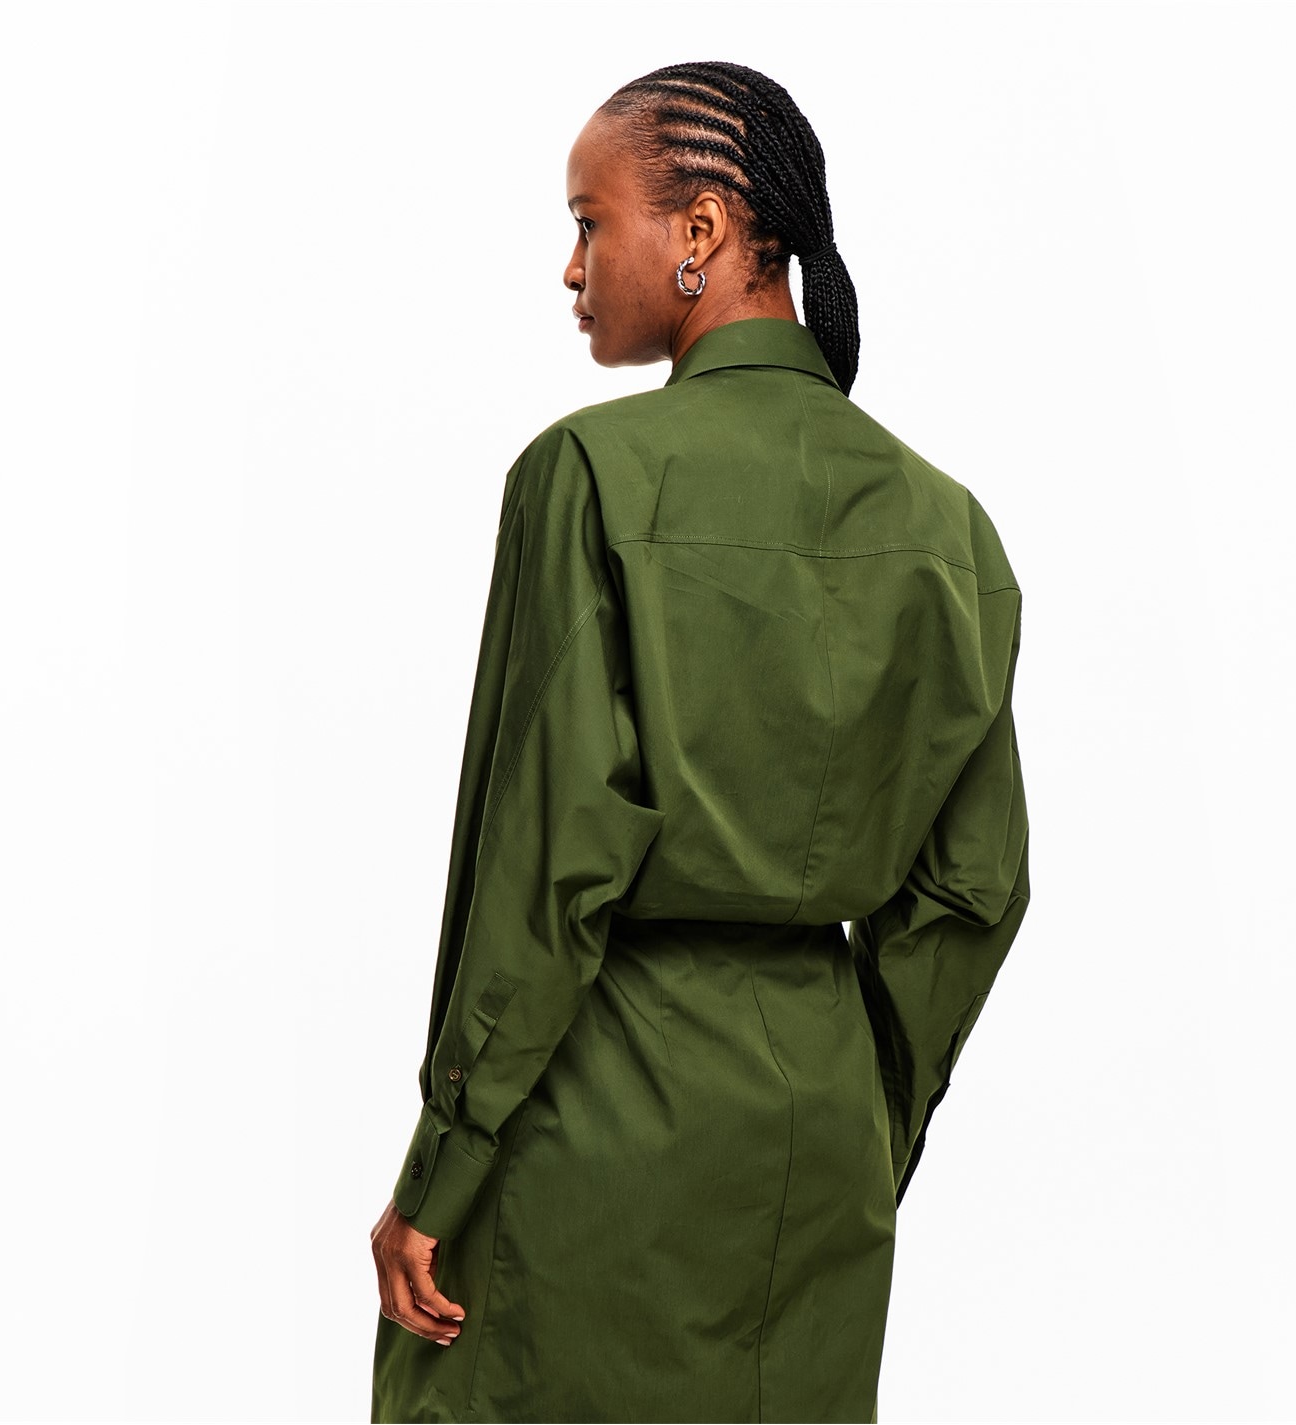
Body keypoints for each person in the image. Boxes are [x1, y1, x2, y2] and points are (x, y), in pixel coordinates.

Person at [369, 59, 1030, 1424]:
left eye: (587, 221)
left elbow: (550, 862)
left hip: (596, 1111)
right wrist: (866, 1114)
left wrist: (444, 1162)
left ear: (702, 230)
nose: (570, 268)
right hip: (815, 1145)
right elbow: (976, 888)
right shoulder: (945, 522)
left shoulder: (588, 475)